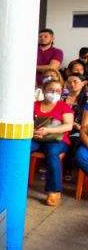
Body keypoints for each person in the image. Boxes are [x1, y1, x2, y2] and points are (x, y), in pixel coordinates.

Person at [32, 78, 73, 206]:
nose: (54, 93)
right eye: (51, 90)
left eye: (57, 91)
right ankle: (13, 182)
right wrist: (33, 131)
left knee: (52, 153)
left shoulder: (63, 106)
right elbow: (25, 121)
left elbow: (68, 126)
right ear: (44, 91)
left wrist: (48, 131)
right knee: (22, 149)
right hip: (36, 137)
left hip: (57, 140)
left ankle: (53, 190)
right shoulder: (34, 105)